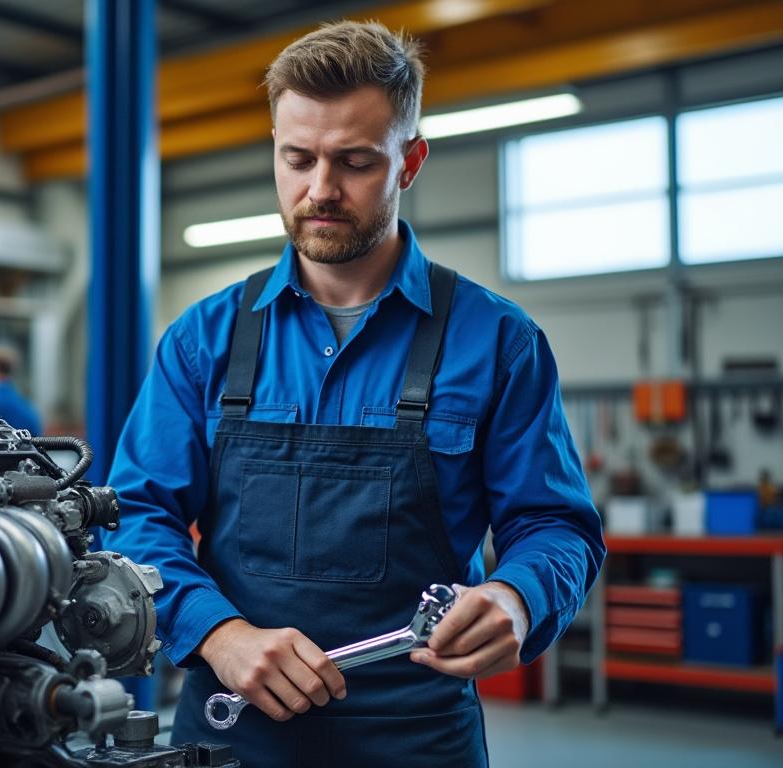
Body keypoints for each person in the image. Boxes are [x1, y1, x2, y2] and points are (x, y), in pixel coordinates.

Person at [102, 20, 605, 767]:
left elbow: (556, 524)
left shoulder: (499, 342)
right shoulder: (203, 340)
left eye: (356, 162)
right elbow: (137, 513)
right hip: (235, 726)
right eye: (296, 159)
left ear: (410, 163)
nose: (320, 189)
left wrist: (517, 597)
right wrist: (219, 634)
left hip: (419, 734)